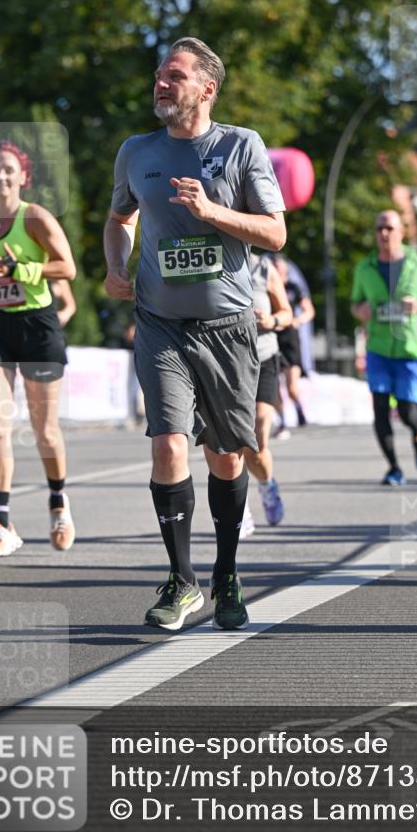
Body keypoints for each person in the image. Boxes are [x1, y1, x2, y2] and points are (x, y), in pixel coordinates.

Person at [103, 36, 286, 632]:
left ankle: (226, 572)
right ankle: (182, 581)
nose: (161, 83)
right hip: (159, 322)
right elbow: (119, 219)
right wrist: (115, 265)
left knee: (227, 456)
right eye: (159, 74)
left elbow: (275, 234)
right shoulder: (137, 150)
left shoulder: (240, 145)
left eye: (175, 76)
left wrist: (212, 214)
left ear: (206, 88)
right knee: (167, 444)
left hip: (229, 327)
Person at [0, 141, 77, 559]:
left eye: (10, 170)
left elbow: (67, 267)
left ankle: (59, 504)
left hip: (37, 326)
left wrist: (21, 269)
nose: (3, 176)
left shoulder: (36, 219)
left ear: (23, 177)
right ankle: (1, 524)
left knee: (45, 430)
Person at [350, 209, 417, 486]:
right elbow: (355, 303)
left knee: (407, 411)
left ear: (401, 231)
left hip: (409, 347)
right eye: (379, 228)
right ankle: (393, 468)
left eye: (389, 228)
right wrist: (361, 310)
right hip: (378, 348)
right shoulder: (364, 268)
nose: (384, 233)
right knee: (379, 408)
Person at [240, 253, 292, 535]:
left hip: (264, 358)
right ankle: (238, 506)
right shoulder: (213, 256)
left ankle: (267, 484)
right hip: (228, 362)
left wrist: (270, 319)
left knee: (258, 440)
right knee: (233, 441)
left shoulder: (263, 267)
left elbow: (287, 313)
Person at [273, 254, 315, 436]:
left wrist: (298, 320)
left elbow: (309, 310)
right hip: (272, 339)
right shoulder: (267, 286)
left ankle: (299, 408)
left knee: (291, 386)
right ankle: (282, 421)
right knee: (273, 386)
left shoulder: (293, 288)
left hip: (290, 340)